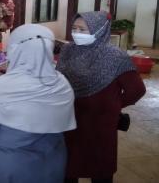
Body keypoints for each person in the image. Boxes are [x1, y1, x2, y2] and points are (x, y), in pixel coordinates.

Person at [0, 24, 76, 183]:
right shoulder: (62, 84)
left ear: (15, 50)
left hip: (8, 170)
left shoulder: (1, 88)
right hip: (50, 166)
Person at [56, 11, 146, 183]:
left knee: (100, 169)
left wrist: (114, 105)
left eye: (82, 29)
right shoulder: (68, 50)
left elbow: (136, 90)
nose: (77, 33)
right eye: (74, 28)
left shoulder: (115, 57)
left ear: (100, 30)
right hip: (70, 121)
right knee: (69, 168)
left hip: (100, 124)